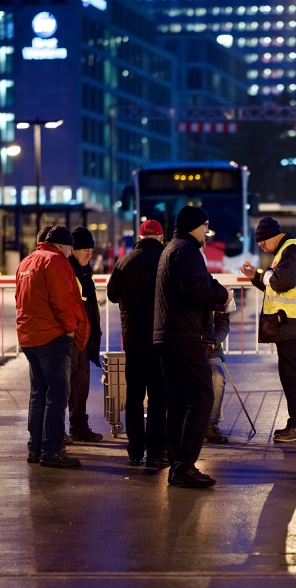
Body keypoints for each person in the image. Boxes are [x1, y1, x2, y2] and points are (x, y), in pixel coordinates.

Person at [155, 205, 230, 488]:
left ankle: (177, 463)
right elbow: (196, 289)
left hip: (169, 336)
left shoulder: (172, 248)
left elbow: (196, 283)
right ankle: (185, 465)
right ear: (193, 226)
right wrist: (221, 295)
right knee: (201, 398)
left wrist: (214, 288)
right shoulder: (188, 251)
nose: (207, 231)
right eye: (205, 225)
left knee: (178, 401)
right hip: (186, 336)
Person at [15, 226, 90, 469]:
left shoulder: (26, 262)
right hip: (52, 336)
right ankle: (52, 450)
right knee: (57, 394)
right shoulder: (55, 261)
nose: (70, 253)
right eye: (70, 248)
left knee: (39, 394)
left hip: (29, 337)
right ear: (62, 245)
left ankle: (35, 448)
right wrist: (70, 330)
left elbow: (19, 299)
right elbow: (62, 300)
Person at [240, 217, 296, 443]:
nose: (263, 248)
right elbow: (275, 286)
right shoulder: (285, 251)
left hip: (290, 323)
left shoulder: (290, 250)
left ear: (273, 236)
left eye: (263, 244)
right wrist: (256, 277)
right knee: (290, 374)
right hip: (286, 323)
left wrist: (267, 274)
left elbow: (281, 283)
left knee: (290, 375)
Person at [107, 219, 168, 466]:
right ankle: (156, 452)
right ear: (161, 238)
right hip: (160, 340)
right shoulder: (165, 261)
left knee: (134, 397)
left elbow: (112, 295)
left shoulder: (125, 261)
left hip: (133, 340)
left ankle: (135, 451)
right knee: (158, 398)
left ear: (140, 238)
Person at [66, 227, 103, 444]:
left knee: (81, 386)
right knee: (66, 387)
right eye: (84, 249)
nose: (89, 253)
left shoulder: (86, 272)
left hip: (84, 337)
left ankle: (79, 428)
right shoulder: (68, 270)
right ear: (73, 249)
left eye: (91, 249)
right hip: (71, 337)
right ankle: (59, 431)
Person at [206, 308, 231, 444]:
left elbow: (223, 324)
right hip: (188, 347)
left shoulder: (217, 297)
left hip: (211, 348)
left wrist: (214, 341)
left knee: (218, 377)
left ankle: (211, 425)